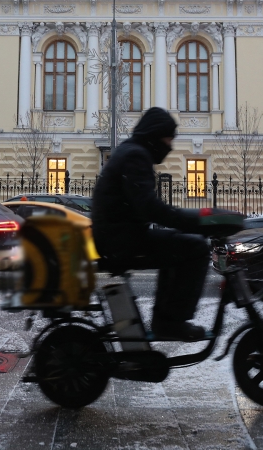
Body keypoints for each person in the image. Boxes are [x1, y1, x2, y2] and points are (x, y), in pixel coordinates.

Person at [92, 107, 209, 341]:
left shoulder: (131, 151)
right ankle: (170, 322)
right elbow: (149, 207)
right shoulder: (136, 156)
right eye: (168, 138)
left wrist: (183, 222)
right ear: (156, 135)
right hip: (121, 241)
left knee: (175, 248)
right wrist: (195, 222)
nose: (170, 144)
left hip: (117, 236)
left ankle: (166, 319)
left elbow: (145, 206)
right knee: (196, 248)